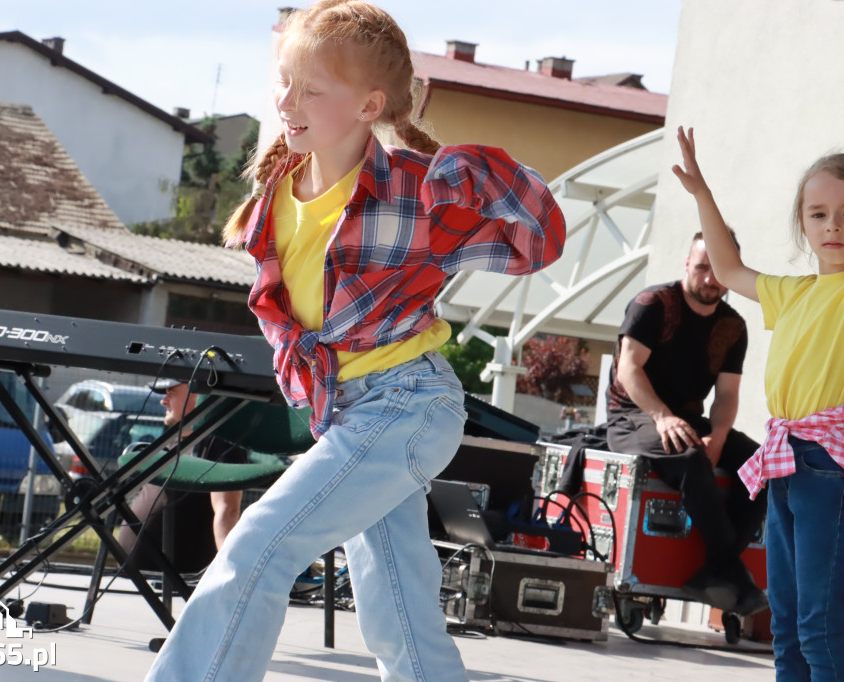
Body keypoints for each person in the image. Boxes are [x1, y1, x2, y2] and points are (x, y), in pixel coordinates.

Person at [142, 2, 566, 680]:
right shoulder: (276, 190)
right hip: (349, 414)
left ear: (371, 105)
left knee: (259, 545)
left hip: (408, 405)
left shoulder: (415, 191)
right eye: (284, 81)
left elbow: (537, 239)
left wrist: (471, 170)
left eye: (311, 89)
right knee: (396, 601)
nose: (288, 100)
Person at [674, 125, 844, 682]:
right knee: (785, 627)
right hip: (785, 461)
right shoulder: (795, 291)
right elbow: (728, 268)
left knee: (817, 626)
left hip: (831, 466)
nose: (833, 225)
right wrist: (703, 194)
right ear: (802, 223)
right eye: (818, 213)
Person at [605, 231, 768, 616]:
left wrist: (720, 434)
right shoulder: (652, 304)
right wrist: (662, 417)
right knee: (692, 458)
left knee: (764, 468)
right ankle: (731, 573)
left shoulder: (733, 326)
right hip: (634, 417)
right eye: (702, 267)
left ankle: (717, 570)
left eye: (719, 270)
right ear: (687, 265)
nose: (711, 279)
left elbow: (727, 394)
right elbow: (629, 369)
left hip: (690, 422)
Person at [118, 378, 248, 563]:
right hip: (142, 572)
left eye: (171, 393)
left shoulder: (218, 443)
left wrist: (227, 573)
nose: (163, 401)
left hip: (173, 574)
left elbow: (227, 509)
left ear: (197, 394)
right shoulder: (174, 440)